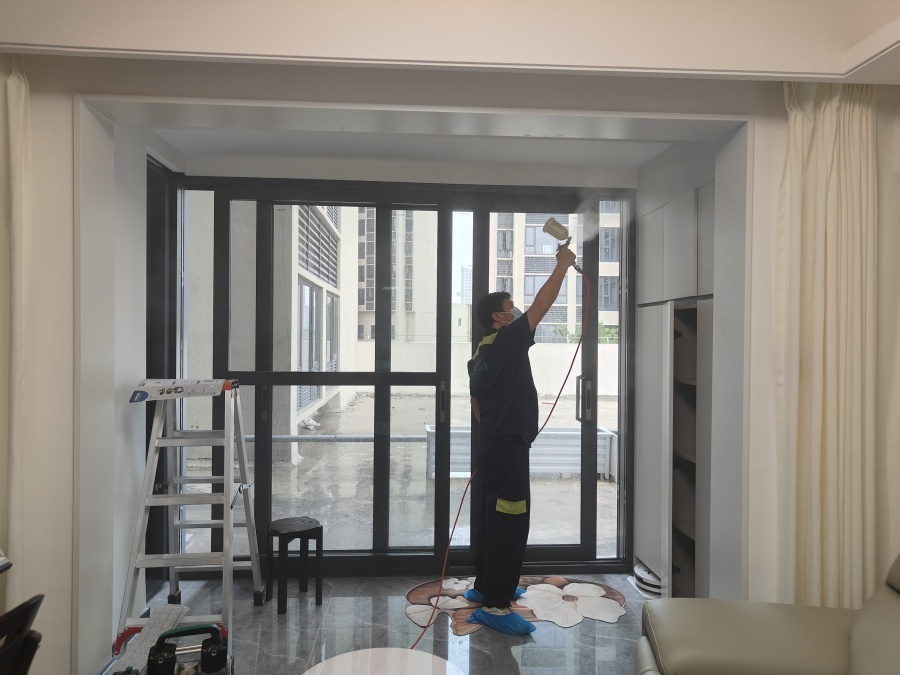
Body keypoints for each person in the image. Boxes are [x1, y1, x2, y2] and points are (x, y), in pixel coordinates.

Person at [464, 241, 578, 635]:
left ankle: (484, 586)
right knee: (509, 524)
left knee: (490, 518)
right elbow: (542, 306)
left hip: (491, 446)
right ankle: (495, 606)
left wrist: (499, 424)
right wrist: (562, 265)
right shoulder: (508, 340)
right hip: (508, 449)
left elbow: (476, 404)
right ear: (498, 316)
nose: (515, 312)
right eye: (510, 308)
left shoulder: (479, 354)